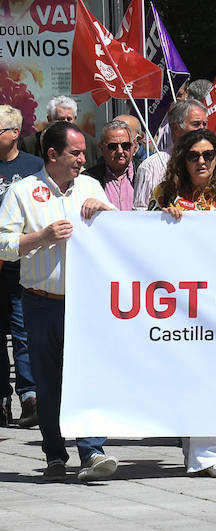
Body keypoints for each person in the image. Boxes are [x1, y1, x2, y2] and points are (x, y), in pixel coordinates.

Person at [0, 122, 117, 481]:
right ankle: (54, 454)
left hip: (86, 302)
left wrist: (107, 210)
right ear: (53, 155)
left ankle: (92, 451)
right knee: (48, 382)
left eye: (84, 152)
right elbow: (4, 244)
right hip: (41, 302)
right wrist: (41, 237)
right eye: (76, 153)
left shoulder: (90, 186)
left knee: (88, 375)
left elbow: (119, 235)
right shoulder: (22, 192)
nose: (84, 159)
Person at [149, 130, 216, 477]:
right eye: (193, 155)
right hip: (180, 300)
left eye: (208, 155)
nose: (201, 161)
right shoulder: (166, 193)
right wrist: (161, 219)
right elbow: (140, 238)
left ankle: (212, 454)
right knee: (191, 375)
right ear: (182, 159)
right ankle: (198, 448)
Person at [0, 105, 42, 428]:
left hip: (20, 264)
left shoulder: (34, 167)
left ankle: (30, 396)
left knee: (23, 331)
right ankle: (2, 398)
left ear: (15, 133)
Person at [133, 99, 209, 210]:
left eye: (205, 124)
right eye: (196, 124)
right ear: (176, 128)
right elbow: (140, 216)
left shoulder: (213, 161)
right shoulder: (151, 167)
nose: (203, 129)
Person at [20, 95, 97, 166]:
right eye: (61, 119)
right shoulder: (30, 144)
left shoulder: (90, 143)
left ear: (75, 120)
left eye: (69, 119)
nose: (65, 123)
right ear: (49, 119)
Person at [86, 119, 139, 211]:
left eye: (125, 145)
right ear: (101, 147)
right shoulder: (88, 179)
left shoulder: (145, 172)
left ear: (133, 146)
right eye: (113, 146)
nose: (120, 151)